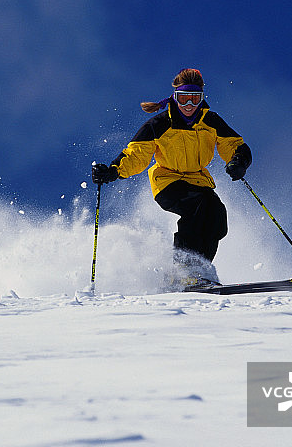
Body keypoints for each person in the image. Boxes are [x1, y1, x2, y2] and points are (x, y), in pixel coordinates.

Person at [92, 68, 251, 287]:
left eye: (194, 99)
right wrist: (113, 170)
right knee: (197, 206)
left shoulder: (210, 121)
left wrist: (238, 161)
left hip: (198, 180)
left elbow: (233, 145)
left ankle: (200, 273)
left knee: (216, 216)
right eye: (183, 98)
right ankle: (183, 270)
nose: (188, 106)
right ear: (173, 98)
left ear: (202, 99)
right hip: (167, 181)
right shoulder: (158, 125)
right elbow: (136, 155)